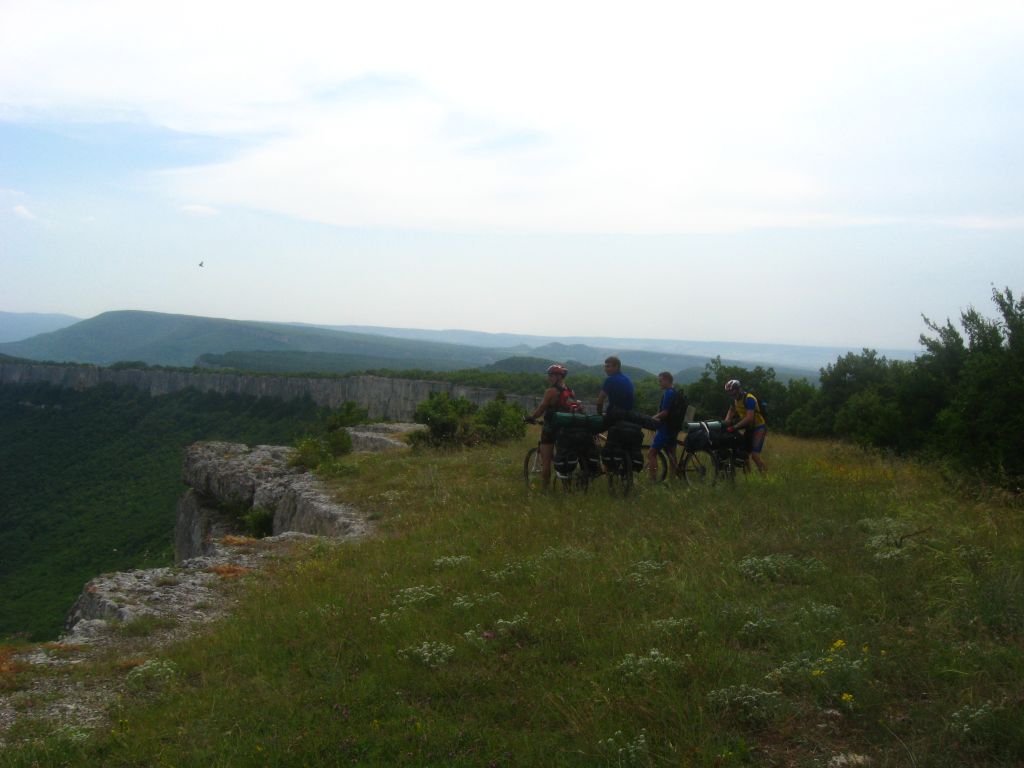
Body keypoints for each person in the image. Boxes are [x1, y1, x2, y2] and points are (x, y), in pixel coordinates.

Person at [527, 363, 578, 486]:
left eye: (551, 375)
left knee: (546, 461)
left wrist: (531, 417)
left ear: (559, 376)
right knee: (564, 456)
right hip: (566, 428)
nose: (549, 377)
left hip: (551, 428)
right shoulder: (571, 391)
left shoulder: (550, 391)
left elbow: (541, 409)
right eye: (549, 375)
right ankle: (567, 485)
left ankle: (545, 488)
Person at [724, 379, 767, 474]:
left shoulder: (749, 399)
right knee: (744, 455)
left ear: (738, 389)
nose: (732, 395)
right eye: (730, 393)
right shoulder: (735, 401)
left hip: (759, 427)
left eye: (733, 392)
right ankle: (749, 477)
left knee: (755, 456)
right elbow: (729, 416)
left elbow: (749, 418)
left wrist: (734, 427)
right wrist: (724, 425)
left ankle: (766, 478)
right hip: (749, 428)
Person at [648, 372, 682, 480]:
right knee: (672, 454)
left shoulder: (668, 393)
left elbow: (665, 413)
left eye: (661, 381)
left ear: (667, 380)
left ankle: (653, 480)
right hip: (673, 429)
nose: (659, 383)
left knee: (651, 454)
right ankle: (673, 478)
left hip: (665, 429)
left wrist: (653, 417)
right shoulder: (675, 392)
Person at [595, 355, 634, 422]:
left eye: (608, 366)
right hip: (628, 415)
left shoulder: (611, 380)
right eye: (605, 366)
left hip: (615, 416)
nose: (605, 369)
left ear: (616, 367)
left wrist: (600, 415)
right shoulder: (627, 378)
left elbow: (599, 401)